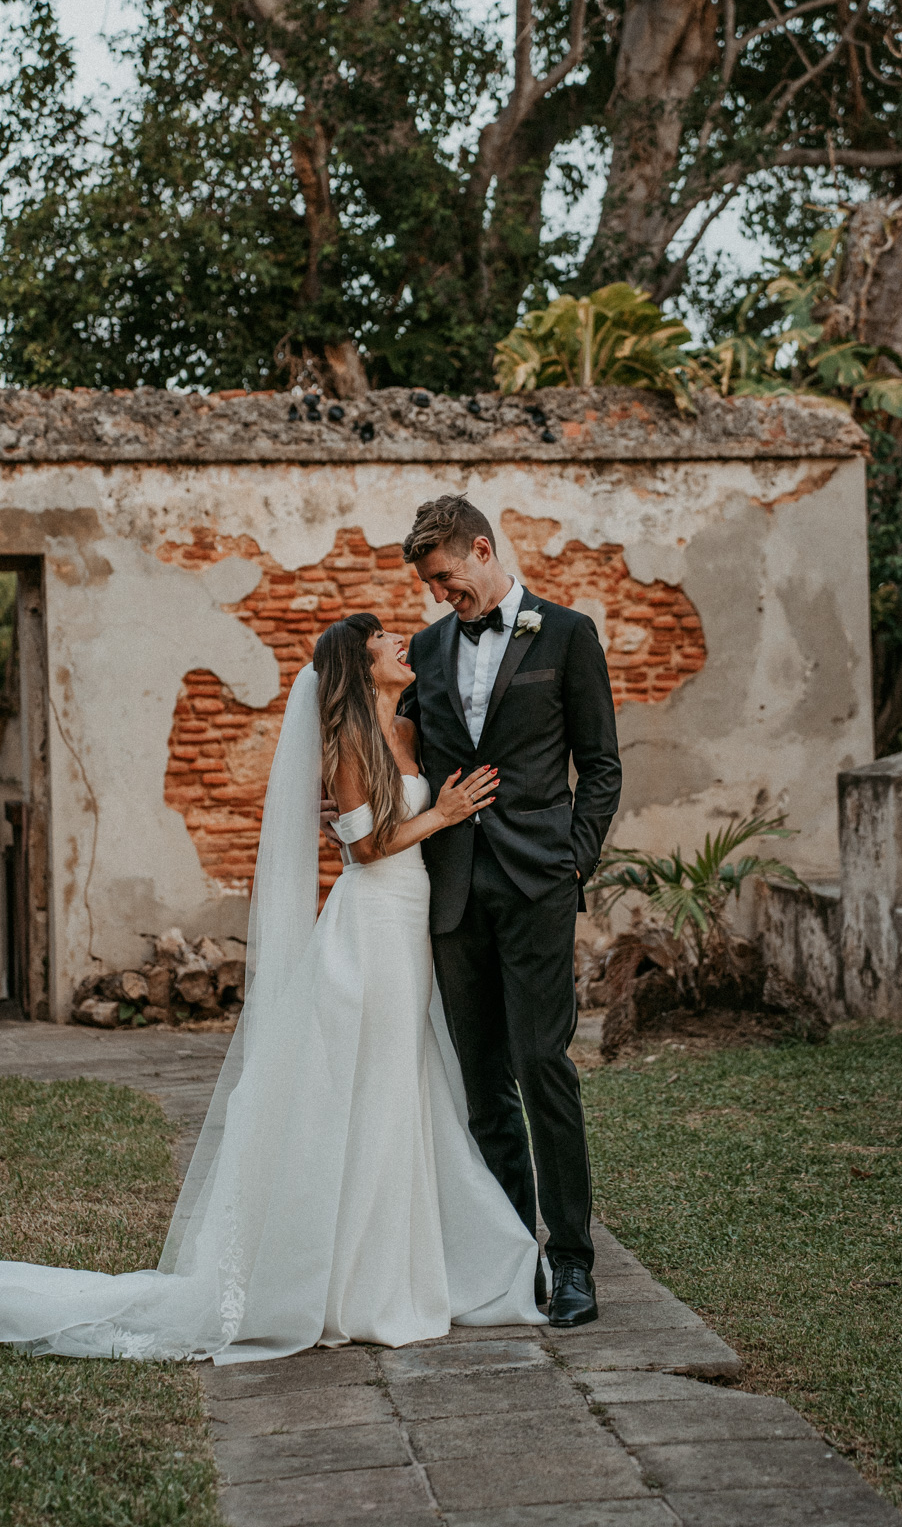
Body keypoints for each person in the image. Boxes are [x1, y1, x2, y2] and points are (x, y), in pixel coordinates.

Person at [0, 614, 543, 1362]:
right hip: (371, 922)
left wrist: (446, 808)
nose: (400, 643)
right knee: (367, 1083)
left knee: (403, 1084)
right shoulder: (347, 745)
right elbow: (367, 847)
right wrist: (441, 814)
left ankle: (394, 1265)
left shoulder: (408, 731)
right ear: (358, 660)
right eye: (385, 640)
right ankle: (351, 1282)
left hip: (412, 924)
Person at [398, 494, 622, 1329]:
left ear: (484, 551)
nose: (438, 598)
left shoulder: (566, 635)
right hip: (451, 892)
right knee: (484, 1084)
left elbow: (600, 764)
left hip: (537, 886)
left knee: (544, 1067)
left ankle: (572, 1264)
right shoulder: (424, 649)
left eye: (447, 580)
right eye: (429, 586)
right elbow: (400, 755)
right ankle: (508, 1260)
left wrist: (575, 857)